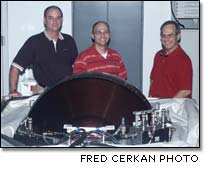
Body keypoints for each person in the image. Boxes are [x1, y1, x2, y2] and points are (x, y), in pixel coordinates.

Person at [9, 5, 78, 97]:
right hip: (43, 93)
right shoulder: (34, 42)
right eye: (51, 18)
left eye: (58, 18)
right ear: (44, 20)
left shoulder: (69, 40)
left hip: (67, 93)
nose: (55, 22)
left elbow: (77, 68)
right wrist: (13, 91)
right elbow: (15, 67)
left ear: (62, 20)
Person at [149, 20, 193, 98]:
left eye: (170, 35)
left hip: (175, 108)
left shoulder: (183, 60)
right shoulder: (158, 55)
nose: (166, 39)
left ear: (178, 36)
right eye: (163, 35)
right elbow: (152, 81)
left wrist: (168, 106)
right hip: (158, 107)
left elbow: (185, 90)